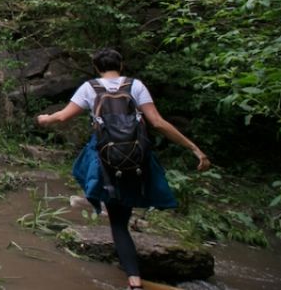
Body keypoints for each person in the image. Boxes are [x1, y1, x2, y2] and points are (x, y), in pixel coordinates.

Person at [35, 48, 210, 290]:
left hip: (106, 161)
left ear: (96, 67)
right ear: (121, 65)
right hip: (136, 159)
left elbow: (63, 117)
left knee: (114, 219)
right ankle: (133, 269)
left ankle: (134, 280)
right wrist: (193, 148)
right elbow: (157, 123)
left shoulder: (91, 87)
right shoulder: (135, 86)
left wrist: (44, 119)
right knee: (122, 217)